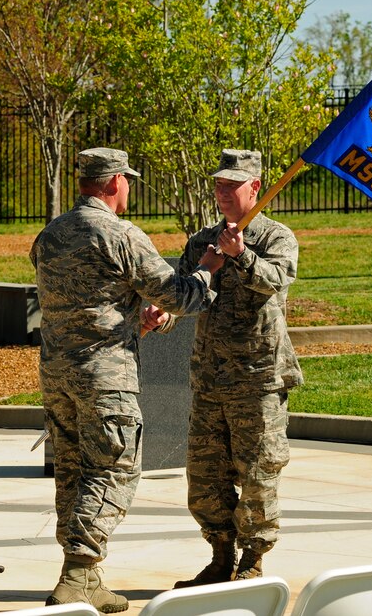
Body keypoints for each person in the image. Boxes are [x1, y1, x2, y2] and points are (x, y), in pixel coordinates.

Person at [32, 147, 222, 613]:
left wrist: (133, 315)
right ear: (115, 181)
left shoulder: (51, 234)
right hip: (105, 374)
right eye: (128, 179)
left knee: (74, 473)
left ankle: (88, 576)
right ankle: (77, 572)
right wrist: (208, 270)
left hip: (58, 373)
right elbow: (180, 296)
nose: (129, 187)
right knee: (115, 468)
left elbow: (84, 299)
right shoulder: (119, 233)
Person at [143, 149, 300, 587]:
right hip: (210, 378)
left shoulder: (275, 237)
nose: (223, 192)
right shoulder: (201, 242)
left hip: (257, 379)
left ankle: (252, 561)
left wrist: (243, 255)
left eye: (233, 185)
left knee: (257, 475)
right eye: (219, 185)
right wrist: (164, 316)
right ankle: (219, 556)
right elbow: (191, 295)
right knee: (205, 476)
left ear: (256, 187)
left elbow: (276, 281)